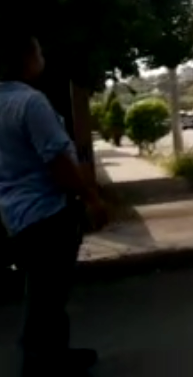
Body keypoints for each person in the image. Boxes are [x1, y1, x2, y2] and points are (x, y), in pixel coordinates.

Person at [0, 27, 107, 377]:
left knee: (47, 291)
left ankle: (56, 355)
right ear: (26, 58)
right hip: (47, 212)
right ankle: (39, 363)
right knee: (48, 295)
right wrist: (91, 199)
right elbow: (58, 162)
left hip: (15, 214)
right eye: (39, 53)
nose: (42, 59)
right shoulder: (31, 102)